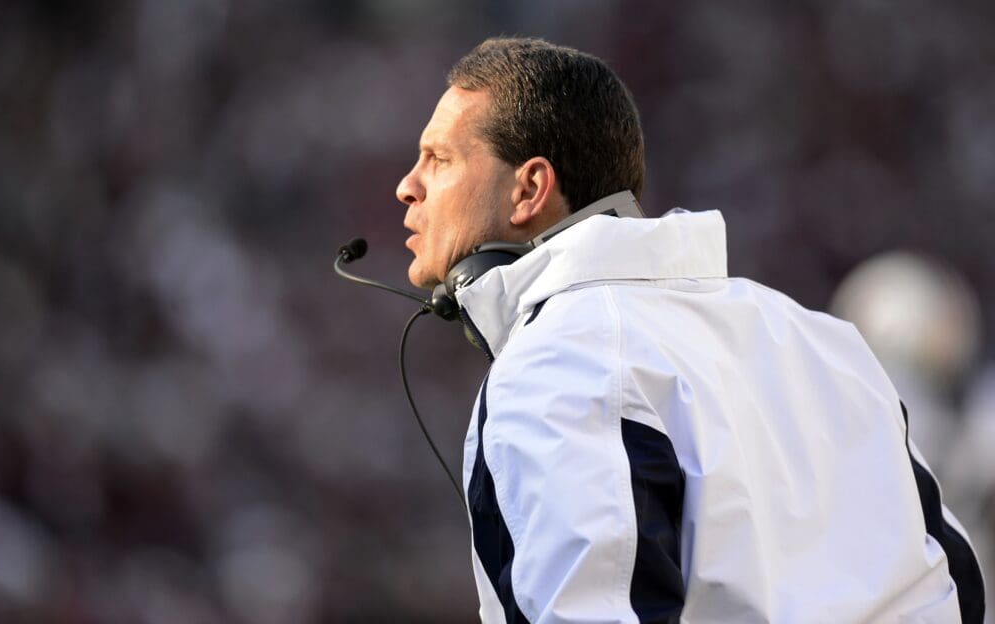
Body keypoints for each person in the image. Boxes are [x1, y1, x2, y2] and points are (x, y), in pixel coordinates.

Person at [395, 37, 985, 623]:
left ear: (529, 190)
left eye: (438, 159)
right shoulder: (824, 340)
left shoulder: (558, 363)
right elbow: (957, 584)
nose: (408, 185)